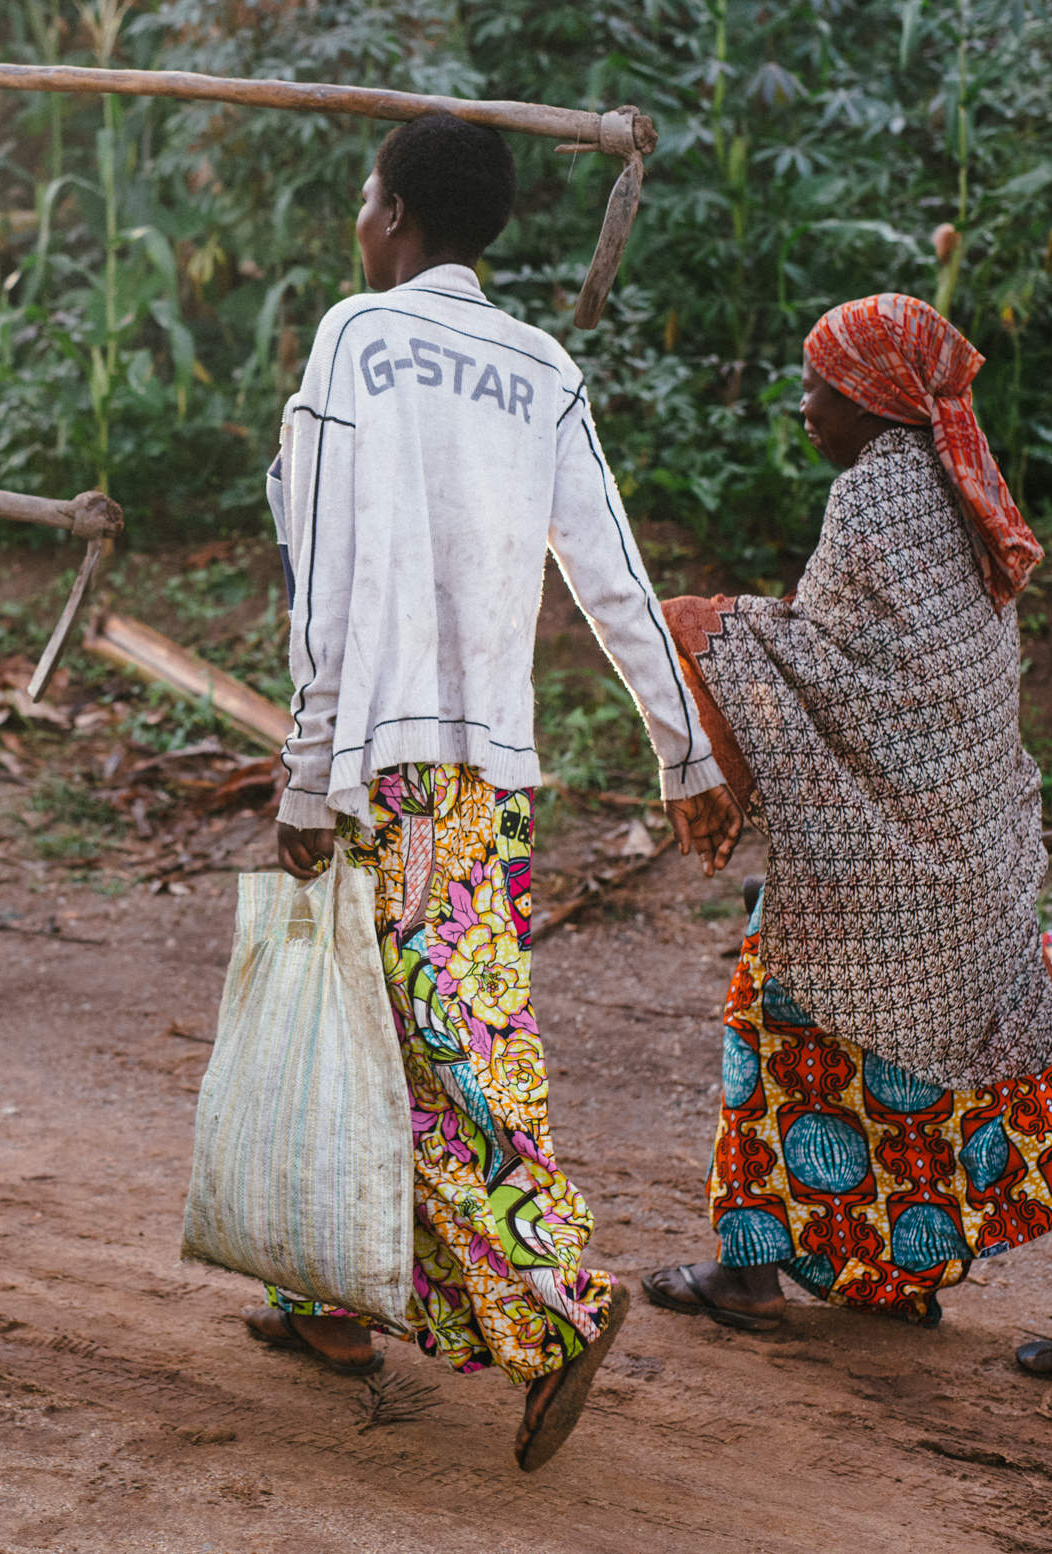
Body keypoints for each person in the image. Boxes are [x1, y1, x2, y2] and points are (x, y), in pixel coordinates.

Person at [254, 113, 746, 1470]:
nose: (361, 218)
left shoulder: (359, 335)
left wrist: (308, 770)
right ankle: (334, 1291)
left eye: (367, 196)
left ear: (397, 215)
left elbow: (329, 575)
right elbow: (613, 574)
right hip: (491, 772)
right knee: (393, 1017)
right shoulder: (543, 366)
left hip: (382, 768)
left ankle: (555, 1295)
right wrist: (686, 751)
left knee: (432, 1042)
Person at [646, 292, 1052, 1400]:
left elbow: (828, 674)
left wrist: (716, 630)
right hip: (972, 852)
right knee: (1005, 1071)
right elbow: (897, 682)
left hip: (887, 868)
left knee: (767, 1014)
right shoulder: (961, 492)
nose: (801, 410)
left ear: (870, 396)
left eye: (816, 388)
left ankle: (753, 1274)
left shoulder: (870, 498)